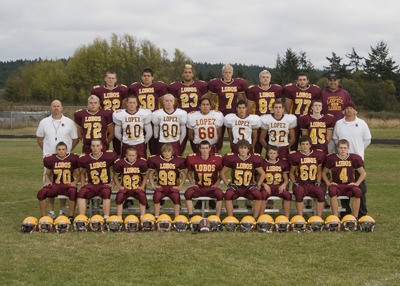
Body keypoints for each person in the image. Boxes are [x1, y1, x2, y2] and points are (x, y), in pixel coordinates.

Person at [36, 100, 79, 217]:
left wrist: (68, 151)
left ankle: (62, 210)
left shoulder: (69, 122)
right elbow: (39, 139)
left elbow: (75, 139)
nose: (56, 108)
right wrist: (46, 151)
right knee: (49, 184)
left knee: (64, 182)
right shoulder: (44, 122)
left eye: (58, 106)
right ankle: (51, 211)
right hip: (49, 157)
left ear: (62, 108)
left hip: (65, 157)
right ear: (51, 108)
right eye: (54, 106)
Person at [332, 101, 371, 217]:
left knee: (360, 188)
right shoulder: (339, 123)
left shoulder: (362, 123)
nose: (349, 110)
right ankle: (345, 213)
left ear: (355, 110)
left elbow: (367, 140)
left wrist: (357, 152)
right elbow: (335, 139)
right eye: (347, 108)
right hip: (342, 159)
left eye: (351, 108)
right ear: (343, 110)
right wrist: (342, 152)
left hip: (357, 159)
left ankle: (361, 213)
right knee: (343, 185)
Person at [168, 64, 209, 154]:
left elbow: (204, 102)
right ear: (182, 74)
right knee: (179, 145)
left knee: (197, 144)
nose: (187, 74)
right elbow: (174, 104)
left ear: (193, 74)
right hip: (181, 119)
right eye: (186, 72)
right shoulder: (175, 86)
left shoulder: (200, 85)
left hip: (195, 119)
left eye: (189, 72)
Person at [220, 139, 266, 218]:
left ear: (248, 149)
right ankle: (231, 218)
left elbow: (263, 173)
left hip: (249, 187)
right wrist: (227, 184)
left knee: (258, 195)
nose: (243, 150)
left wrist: (258, 185)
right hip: (236, 187)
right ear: (238, 149)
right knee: (228, 195)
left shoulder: (254, 159)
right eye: (241, 148)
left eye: (245, 148)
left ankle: (255, 218)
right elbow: (222, 172)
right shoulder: (232, 158)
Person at [322, 139, 366, 218]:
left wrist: (356, 184)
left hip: (349, 185)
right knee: (332, 191)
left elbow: (363, 173)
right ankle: (335, 217)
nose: (343, 150)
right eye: (341, 148)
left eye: (345, 148)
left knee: (358, 191)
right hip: (337, 185)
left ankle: (354, 217)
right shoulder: (332, 158)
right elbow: (323, 173)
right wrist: (328, 183)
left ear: (348, 148)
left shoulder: (354, 158)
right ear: (338, 148)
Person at [129, 67, 168, 156]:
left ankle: (155, 161)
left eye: (148, 76)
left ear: (152, 77)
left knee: (154, 142)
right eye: (144, 76)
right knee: (140, 141)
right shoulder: (135, 87)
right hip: (140, 118)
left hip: (153, 118)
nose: (146, 77)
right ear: (141, 77)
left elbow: (162, 103)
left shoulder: (159, 87)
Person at [209, 64, 247, 151]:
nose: (227, 74)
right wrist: (215, 109)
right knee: (218, 137)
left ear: (232, 73)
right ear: (222, 73)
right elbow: (211, 100)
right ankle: (217, 155)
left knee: (234, 137)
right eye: (226, 72)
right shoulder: (216, 83)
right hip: (220, 114)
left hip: (234, 114)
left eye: (229, 72)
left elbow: (242, 100)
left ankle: (234, 154)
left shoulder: (238, 83)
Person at [37, 142, 79, 221]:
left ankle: (70, 216)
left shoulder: (72, 159)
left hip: (68, 185)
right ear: (56, 151)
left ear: (67, 150)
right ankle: (43, 216)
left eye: (63, 149)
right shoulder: (52, 159)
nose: (61, 151)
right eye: (59, 149)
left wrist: (75, 182)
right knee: (41, 193)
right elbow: (47, 174)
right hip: (56, 185)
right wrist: (48, 181)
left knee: (73, 192)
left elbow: (79, 175)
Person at [77, 139, 117, 219]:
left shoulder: (108, 157)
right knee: (81, 193)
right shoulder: (86, 158)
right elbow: (82, 173)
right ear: (91, 147)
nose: (96, 148)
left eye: (98, 146)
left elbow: (116, 172)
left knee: (106, 193)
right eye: (93, 146)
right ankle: (82, 218)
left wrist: (112, 183)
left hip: (104, 184)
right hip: (92, 185)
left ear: (101, 146)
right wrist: (83, 184)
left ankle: (106, 217)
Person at [245, 69, 283, 155]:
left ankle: (269, 164)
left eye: (267, 77)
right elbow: (249, 108)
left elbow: (279, 105)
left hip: (272, 120)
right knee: (258, 145)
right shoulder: (253, 90)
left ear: (270, 79)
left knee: (271, 143)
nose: (265, 79)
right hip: (259, 119)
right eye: (263, 77)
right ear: (260, 79)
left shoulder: (276, 89)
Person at [91, 70, 129, 155]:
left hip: (118, 120)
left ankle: (118, 161)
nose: (110, 80)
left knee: (118, 143)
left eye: (112, 78)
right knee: (104, 143)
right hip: (104, 120)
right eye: (109, 78)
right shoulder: (98, 90)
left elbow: (124, 105)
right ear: (105, 79)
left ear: (116, 80)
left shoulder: (122, 89)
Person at [288, 135, 325, 217]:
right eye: (303, 144)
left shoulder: (317, 155)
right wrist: (294, 182)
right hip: (300, 183)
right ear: (300, 145)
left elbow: (319, 171)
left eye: (307, 144)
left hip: (313, 183)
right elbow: (291, 172)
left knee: (321, 193)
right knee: (299, 193)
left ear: (310, 145)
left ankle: (319, 217)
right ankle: (300, 217)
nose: (305, 146)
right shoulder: (295, 156)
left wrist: (318, 182)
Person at [185, 140, 224, 217]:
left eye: (206, 148)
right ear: (199, 149)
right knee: (188, 193)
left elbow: (221, 173)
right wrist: (192, 184)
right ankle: (191, 216)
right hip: (199, 187)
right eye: (203, 148)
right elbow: (189, 173)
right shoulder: (193, 159)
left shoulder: (217, 159)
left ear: (210, 149)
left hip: (211, 187)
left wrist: (217, 184)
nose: (205, 150)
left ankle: (217, 216)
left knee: (220, 194)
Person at [283, 73, 322, 151]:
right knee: (293, 142)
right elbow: (287, 106)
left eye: (304, 80)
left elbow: (317, 105)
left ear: (307, 81)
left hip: (308, 120)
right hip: (295, 119)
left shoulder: (315, 90)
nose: (302, 81)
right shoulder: (291, 89)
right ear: (297, 81)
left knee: (309, 141)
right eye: (300, 80)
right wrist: (290, 117)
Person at [147, 144, 186, 218]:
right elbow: (150, 173)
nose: (167, 153)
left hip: (172, 187)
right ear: (162, 152)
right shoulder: (157, 160)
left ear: (172, 152)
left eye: (169, 151)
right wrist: (153, 184)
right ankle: (156, 217)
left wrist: (180, 186)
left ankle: (177, 217)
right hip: (161, 187)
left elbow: (184, 175)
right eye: (165, 151)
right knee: (156, 197)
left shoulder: (177, 161)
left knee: (176, 198)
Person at [113, 147, 148, 218]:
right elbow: (115, 176)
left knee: (142, 196)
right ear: (126, 155)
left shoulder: (140, 163)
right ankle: (119, 217)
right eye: (129, 155)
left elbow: (144, 176)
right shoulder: (121, 163)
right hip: (125, 188)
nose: (131, 157)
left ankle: (143, 217)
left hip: (136, 187)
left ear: (136, 155)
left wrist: (142, 186)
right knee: (119, 197)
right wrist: (119, 186)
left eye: (133, 155)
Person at [260, 146, 291, 218]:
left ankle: (287, 217)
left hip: (278, 187)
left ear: (277, 154)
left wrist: (283, 185)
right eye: (270, 153)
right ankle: (260, 217)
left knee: (287, 195)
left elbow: (286, 179)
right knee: (263, 195)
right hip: (267, 186)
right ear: (267, 153)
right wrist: (264, 184)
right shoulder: (263, 163)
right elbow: (258, 179)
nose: (272, 155)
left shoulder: (282, 163)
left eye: (274, 153)